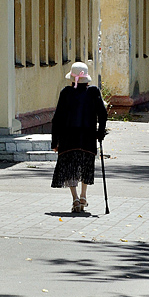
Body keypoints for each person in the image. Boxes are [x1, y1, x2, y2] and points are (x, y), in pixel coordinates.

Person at [51, 61, 107, 213]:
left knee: (71, 167)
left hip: (68, 137)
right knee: (85, 166)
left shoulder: (66, 93)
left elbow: (57, 119)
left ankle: (75, 198)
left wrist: (54, 142)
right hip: (88, 137)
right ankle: (83, 195)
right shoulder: (94, 92)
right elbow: (103, 114)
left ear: (72, 78)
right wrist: (100, 134)